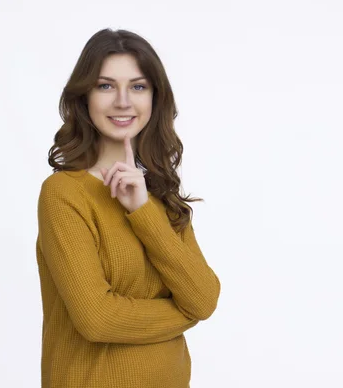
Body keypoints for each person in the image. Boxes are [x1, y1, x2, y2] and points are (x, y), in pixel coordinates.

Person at [35, 28, 221, 388]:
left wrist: (143, 211)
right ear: (84, 97)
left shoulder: (161, 194)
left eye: (138, 86)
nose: (123, 101)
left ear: (155, 98)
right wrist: (184, 312)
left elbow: (204, 297)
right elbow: (97, 318)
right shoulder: (64, 194)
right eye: (106, 86)